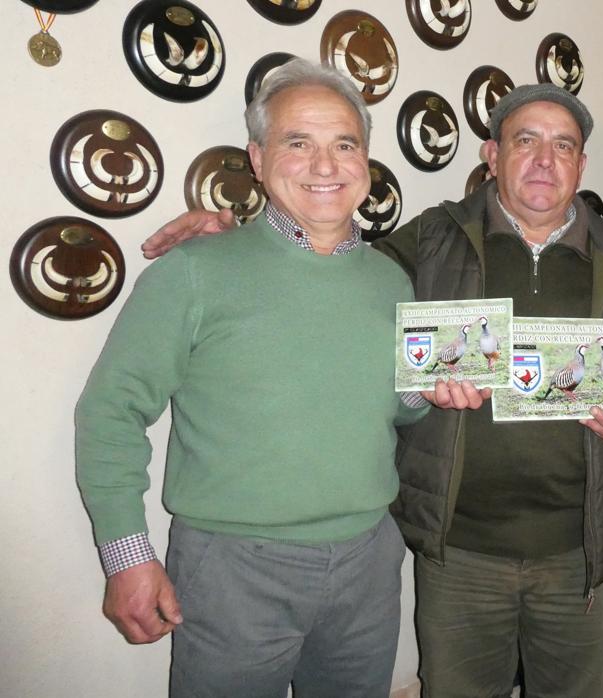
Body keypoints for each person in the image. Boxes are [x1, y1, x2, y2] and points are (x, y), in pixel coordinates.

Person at [141, 84, 603, 698]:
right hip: (457, 551)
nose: (545, 159)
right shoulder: (426, 242)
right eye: (525, 140)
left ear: (580, 164)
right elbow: (327, 257)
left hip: (580, 555)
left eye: (562, 145)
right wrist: (232, 231)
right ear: (491, 155)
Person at [75, 59, 484, 697]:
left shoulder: (391, 280)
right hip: (234, 568)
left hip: (369, 559)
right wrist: (128, 557)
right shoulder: (193, 273)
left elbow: (393, 412)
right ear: (259, 159)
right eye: (299, 143)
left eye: (344, 144)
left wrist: (424, 393)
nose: (326, 166)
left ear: (366, 162)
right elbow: (110, 413)